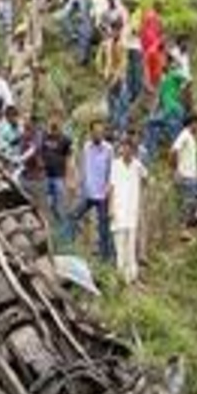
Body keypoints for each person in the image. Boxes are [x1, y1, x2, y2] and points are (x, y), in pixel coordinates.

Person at [67, 121, 114, 263]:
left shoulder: (109, 149)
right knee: (72, 216)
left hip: (102, 194)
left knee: (103, 228)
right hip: (87, 193)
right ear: (91, 132)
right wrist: (79, 184)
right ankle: (70, 248)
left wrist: (108, 188)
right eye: (95, 132)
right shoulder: (86, 147)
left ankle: (105, 259)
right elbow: (83, 166)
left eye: (101, 132)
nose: (98, 134)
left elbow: (111, 170)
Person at [109, 135, 148, 284]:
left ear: (133, 150)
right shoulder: (115, 164)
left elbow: (146, 178)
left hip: (132, 211)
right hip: (118, 210)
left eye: (129, 147)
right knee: (120, 246)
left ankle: (132, 277)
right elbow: (111, 187)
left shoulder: (137, 165)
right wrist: (111, 207)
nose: (125, 150)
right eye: (123, 147)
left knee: (131, 247)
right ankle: (121, 278)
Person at [142, 59, 187, 165]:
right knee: (152, 125)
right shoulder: (164, 83)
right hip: (169, 113)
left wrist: (181, 89)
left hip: (174, 112)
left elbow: (186, 79)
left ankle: (153, 155)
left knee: (174, 137)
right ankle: (151, 155)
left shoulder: (172, 75)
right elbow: (158, 101)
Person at [170, 114, 197, 229]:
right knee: (186, 202)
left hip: (192, 174)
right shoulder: (184, 135)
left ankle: (196, 217)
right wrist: (175, 170)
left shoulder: (191, 137)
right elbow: (173, 151)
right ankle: (183, 228)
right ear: (193, 123)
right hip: (185, 175)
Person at [40, 114, 73, 222]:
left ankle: (63, 223)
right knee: (49, 203)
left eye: (57, 119)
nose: (54, 121)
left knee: (61, 201)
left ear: (60, 122)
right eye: (52, 119)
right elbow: (40, 152)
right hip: (47, 175)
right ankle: (54, 220)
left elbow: (68, 158)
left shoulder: (65, 139)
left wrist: (69, 176)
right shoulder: (44, 137)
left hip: (59, 176)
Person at [18, 115, 46, 208]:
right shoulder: (23, 135)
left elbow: (34, 149)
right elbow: (13, 144)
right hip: (26, 177)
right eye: (24, 124)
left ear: (34, 124)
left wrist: (21, 159)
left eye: (28, 124)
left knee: (40, 206)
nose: (25, 125)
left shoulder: (39, 135)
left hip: (38, 178)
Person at [8, 25, 35, 117]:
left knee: (26, 108)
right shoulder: (11, 50)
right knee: (15, 108)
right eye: (19, 35)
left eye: (23, 35)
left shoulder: (30, 50)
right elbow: (7, 66)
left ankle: (25, 128)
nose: (21, 37)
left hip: (26, 79)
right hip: (14, 81)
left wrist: (35, 82)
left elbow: (33, 66)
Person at [140, 0, 165, 94]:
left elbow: (160, 32)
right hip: (149, 46)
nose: (163, 8)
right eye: (161, 5)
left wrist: (160, 41)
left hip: (155, 46)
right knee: (148, 66)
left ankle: (152, 85)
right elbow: (145, 31)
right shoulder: (150, 16)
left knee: (155, 67)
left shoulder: (158, 18)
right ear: (156, 5)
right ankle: (148, 85)